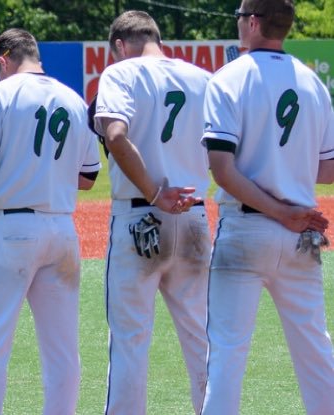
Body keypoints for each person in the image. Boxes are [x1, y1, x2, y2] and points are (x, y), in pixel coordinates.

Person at [0, 28, 101, 414]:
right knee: (62, 349)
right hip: (61, 229)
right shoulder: (71, 97)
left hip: (11, 229)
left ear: (3, 60)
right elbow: (88, 178)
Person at [202, 1, 334, 412]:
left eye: (241, 16)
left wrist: (278, 210)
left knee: (226, 355)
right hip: (301, 234)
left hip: (247, 228)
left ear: (254, 22)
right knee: (316, 353)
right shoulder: (313, 83)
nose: (239, 23)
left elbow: (222, 172)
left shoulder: (228, 78)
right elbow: (327, 170)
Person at [93, 10, 211, 414]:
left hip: (141, 215)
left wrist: (155, 191)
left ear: (121, 46)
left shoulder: (121, 74)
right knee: (202, 336)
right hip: (195, 214)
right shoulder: (201, 78)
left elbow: (115, 134)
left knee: (130, 338)